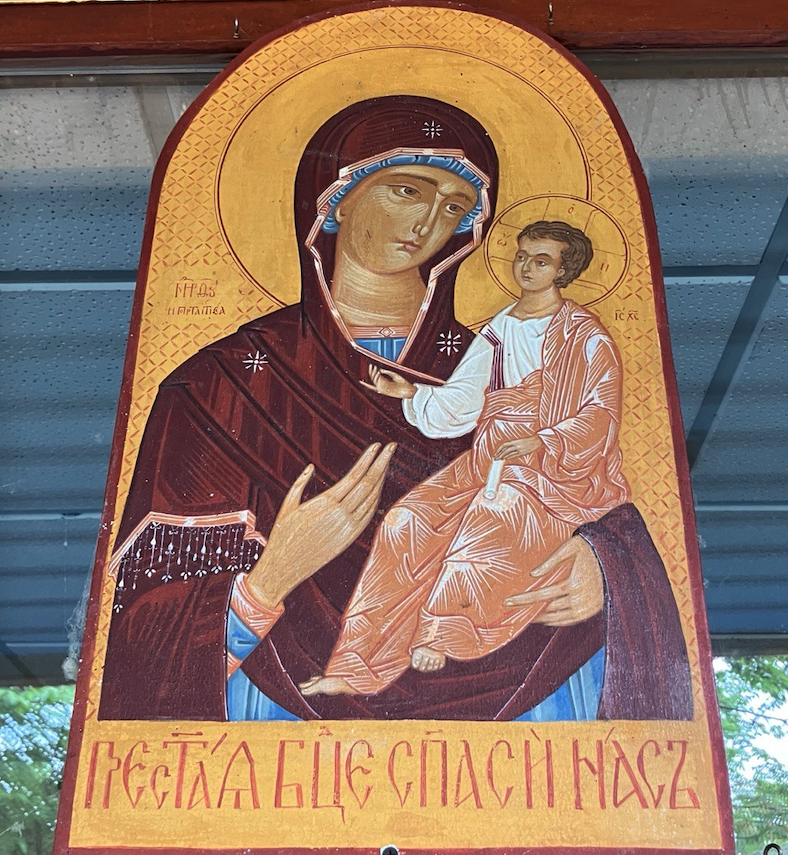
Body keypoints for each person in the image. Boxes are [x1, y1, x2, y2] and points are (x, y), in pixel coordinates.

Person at [100, 95, 693, 723]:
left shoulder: (506, 362)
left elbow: (597, 474)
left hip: (523, 685)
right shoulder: (222, 385)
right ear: (335, 198)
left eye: (454, 207)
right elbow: (144, 646)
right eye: (408, 191)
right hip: (279, 713)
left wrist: (604, 569)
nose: (428, 223)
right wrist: (270, 579)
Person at [301, 221, 631, 698]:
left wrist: (542, 440)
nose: (527, 267)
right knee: (406, 521)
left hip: (554, 471)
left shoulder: (584, 336)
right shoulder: (499, 328)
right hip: (488, 456)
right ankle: (356, 665)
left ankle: (440, 629)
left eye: (541, 261)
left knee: (492, 513)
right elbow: (465, 398)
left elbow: (601, 412)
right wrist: (412, 393)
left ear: (563, 272)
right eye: (523, 256)